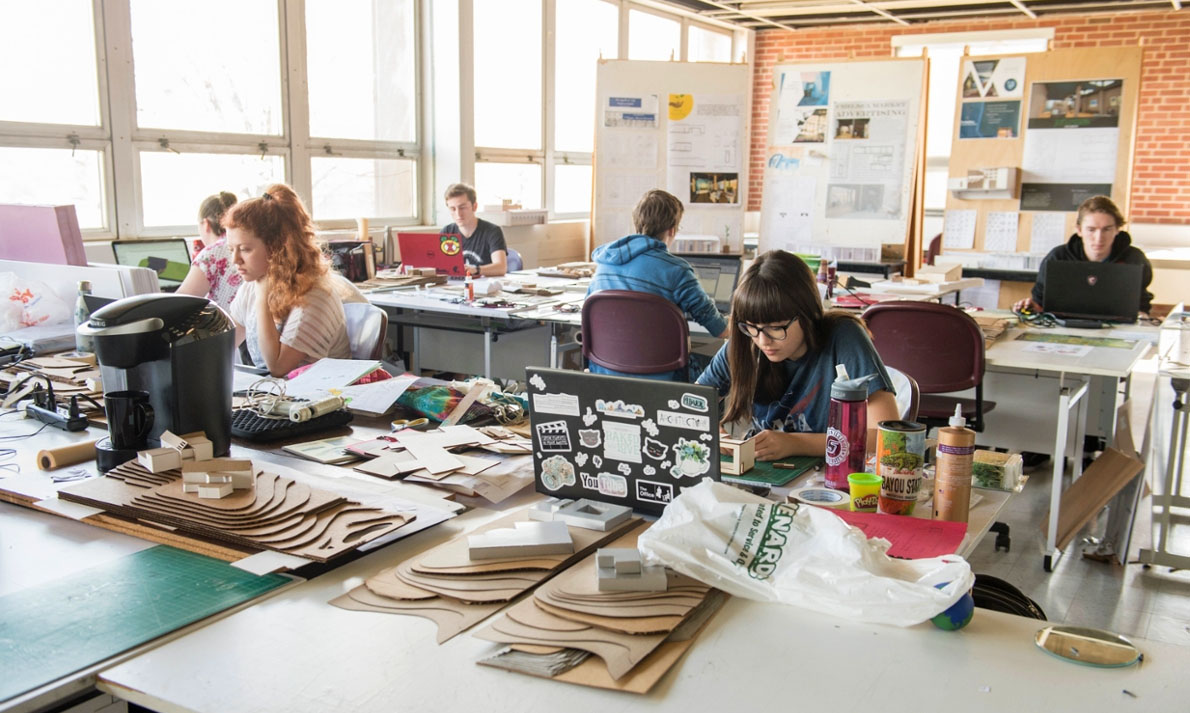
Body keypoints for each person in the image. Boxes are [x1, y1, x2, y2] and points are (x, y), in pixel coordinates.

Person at [697, 250, 899, 461]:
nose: (763, 341)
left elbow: (887, 437)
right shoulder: (746, 341)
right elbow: (689, 406)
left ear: (806, 314)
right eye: (752, 327)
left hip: (827, 474)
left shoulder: (843, 337)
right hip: (767, 474)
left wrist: (796, 443)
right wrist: (711, 431)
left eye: (776, 328)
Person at [587, 189, 729, 381]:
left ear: (637, 222)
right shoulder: (677, 270)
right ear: (672, 229)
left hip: (606, 374)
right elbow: (720, 330)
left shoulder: (604, 263)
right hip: (665, 379)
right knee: (722, 371)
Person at [225, 184, 351, 377]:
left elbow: (277, 367)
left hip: (321, 398)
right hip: (278, 396)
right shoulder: (253, 285)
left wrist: (262, 298)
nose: (235, 260)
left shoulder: (314, 296)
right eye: (231, 249)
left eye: (245, 249)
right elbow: (224, 345)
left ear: (276, 247)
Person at [1013, 195, 1153, 317]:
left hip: (1119, 330)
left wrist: (1142, 315)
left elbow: (1141, 303)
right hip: (1063, 328)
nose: (1099, 238)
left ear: (1117, 229)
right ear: (1079, 230)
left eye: (1107, 229)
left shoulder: (1135, 259)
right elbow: (1040, 302)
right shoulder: (1058, 257)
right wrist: (1032, 308)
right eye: (1091, 230)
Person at [177, 191, 240, 312]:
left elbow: (179, 303)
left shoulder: (212, 253)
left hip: (227, 327)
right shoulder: (246, 246)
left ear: (206, 224)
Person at [441, 183, 507, 277]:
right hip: (454, 286)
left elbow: (501, 268)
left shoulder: (492, 231)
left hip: (484, 286)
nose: (458, 214)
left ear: (474, 206)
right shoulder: (447, 232)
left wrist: (475, 270)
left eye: (462, 208)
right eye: (452, 209)